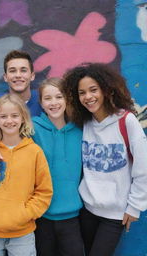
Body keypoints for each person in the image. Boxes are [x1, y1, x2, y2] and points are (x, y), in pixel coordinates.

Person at [63, 62, 147, 256]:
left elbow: (143, 168)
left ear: (107, 90)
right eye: (82, 92)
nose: (88, 97)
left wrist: (135, 207)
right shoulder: (84, 123)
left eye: (93, 90)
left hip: (115, 214)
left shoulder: (127, 121)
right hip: (87, 210)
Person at [0, 94, 53, 256]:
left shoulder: (34, 152)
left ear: (23, 118)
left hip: (22, 234)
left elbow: (44, 191)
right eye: (3, 116)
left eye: (14, 115)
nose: (9, 121)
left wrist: (25, 214)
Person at [32, 78, 84, 256]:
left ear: (67, 99)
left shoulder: (80, 130)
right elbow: (6, 140)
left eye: (59, 97)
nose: (53, 103)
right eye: (48, 98)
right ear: (41, 102)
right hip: (41, 216)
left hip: (72, 217)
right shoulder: (32, 129)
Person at [0, 50, 42, 170]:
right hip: (4, 172)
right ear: (5, 77)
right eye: (12, 71)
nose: (18, 75)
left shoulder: (45, 102)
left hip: (38, 170)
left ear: (32, 75)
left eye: (23, 70)